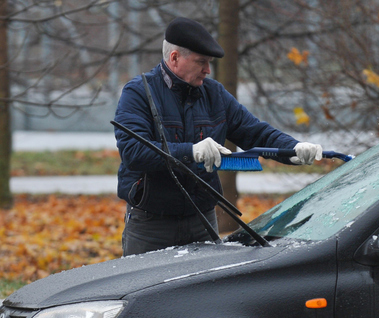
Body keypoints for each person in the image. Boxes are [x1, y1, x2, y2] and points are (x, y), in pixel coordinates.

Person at [114, 17, 323, 256]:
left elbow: (255, 132)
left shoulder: (215, 95)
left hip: (202, 221)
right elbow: (133, 152)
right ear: (174, 58)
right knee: (146, 291)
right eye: (201, 62)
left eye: (209, 62)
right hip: (150, 227)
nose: (208, 70)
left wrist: (293, 148)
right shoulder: (139, 93)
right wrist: (191, 151)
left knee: (206, 293)